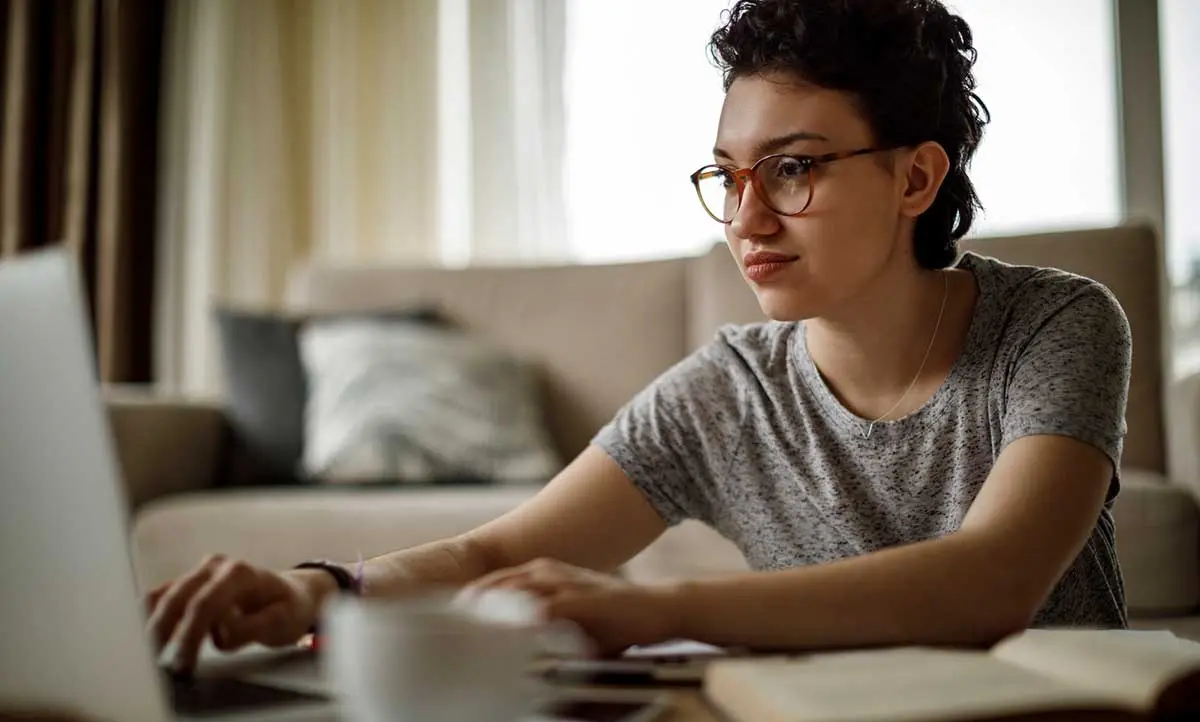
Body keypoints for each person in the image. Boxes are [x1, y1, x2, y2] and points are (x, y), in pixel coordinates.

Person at [148, 0, 1131, 673]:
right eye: (728, 175)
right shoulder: (727, 391)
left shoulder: (1057, 325)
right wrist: (322, 590)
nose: (745, 218)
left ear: (916, 179)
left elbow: (991, 581)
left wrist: (662, 610)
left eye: (791, 170)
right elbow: (502, 547)